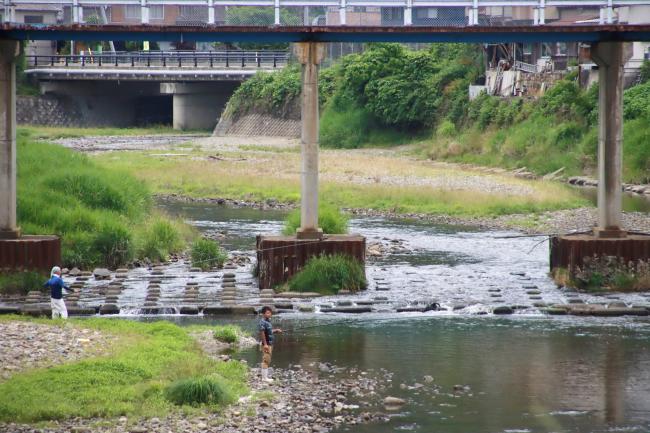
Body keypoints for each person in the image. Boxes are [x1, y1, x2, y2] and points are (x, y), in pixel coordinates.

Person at [258, 306, 282, 383]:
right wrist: (265, 344)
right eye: (267, 313)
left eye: (270, 313)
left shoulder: (268, 321)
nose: (269, 314)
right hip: (267, 344)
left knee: (268, 360)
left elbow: (269, 331)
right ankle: (264, 378)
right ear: (263, 314)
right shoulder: (262, 322)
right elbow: (262, 333)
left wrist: (276, 330)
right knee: (266, 360)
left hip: (270, 344)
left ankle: (265, 377)